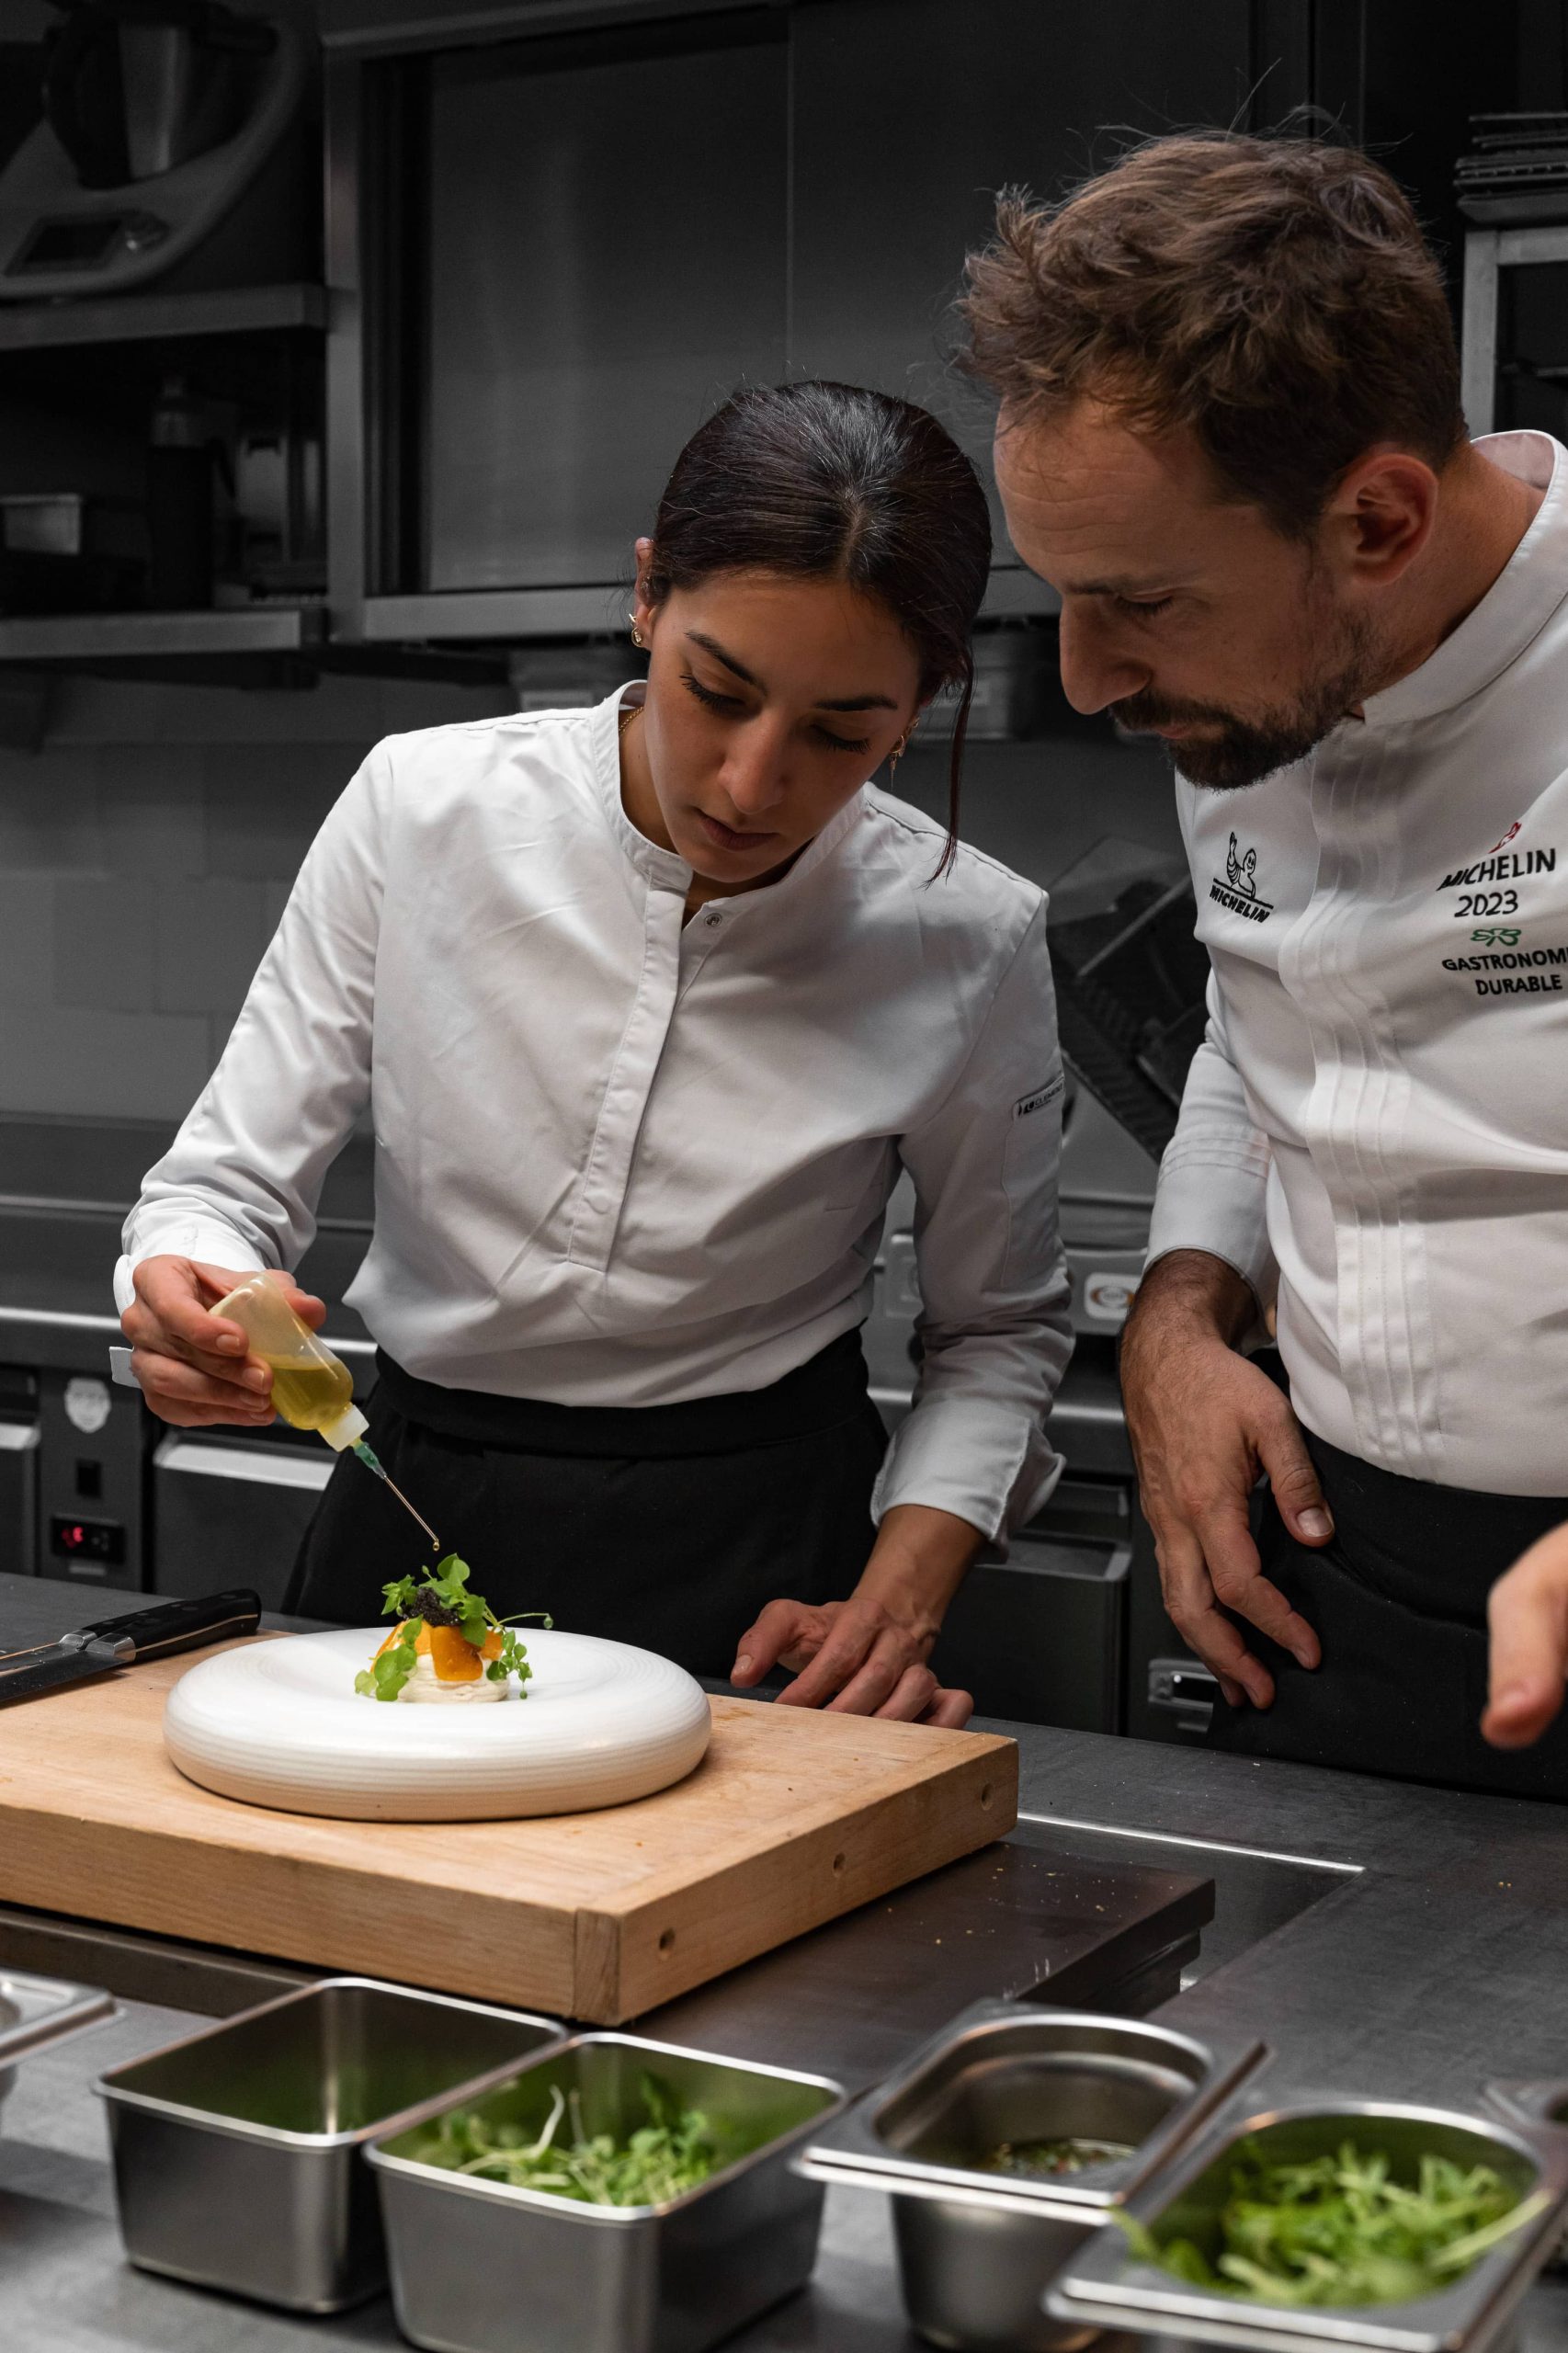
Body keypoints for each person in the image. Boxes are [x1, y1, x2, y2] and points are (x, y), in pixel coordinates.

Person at [116, 381, 1072, 1727]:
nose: (750, 784)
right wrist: (186, 1289)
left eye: (841, 731)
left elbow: (997, 1331)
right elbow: (222, 1181)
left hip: (757, 1560)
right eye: (716, 690)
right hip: (418, 1501)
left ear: (921, 703)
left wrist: (896, 1598)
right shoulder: (422, 808)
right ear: (645, 598)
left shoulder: (969, 936)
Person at [960, 132, 1568, 1793]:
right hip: (1334, 1582)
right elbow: (1264, 1016)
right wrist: (1179, 1304)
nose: (1086, 679)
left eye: (1140, 603)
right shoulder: (1253, 669)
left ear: (1376, 518)